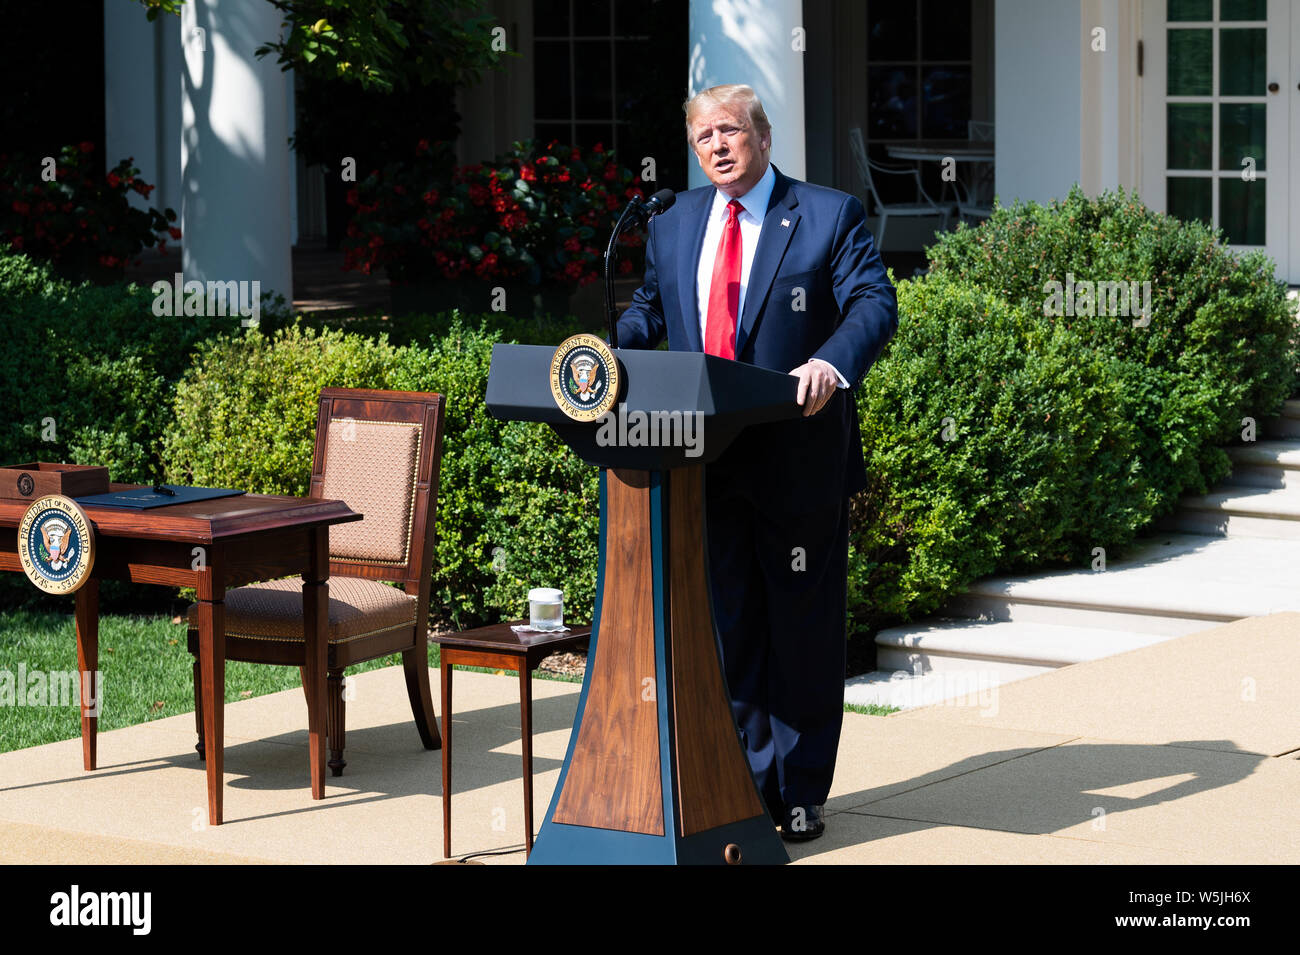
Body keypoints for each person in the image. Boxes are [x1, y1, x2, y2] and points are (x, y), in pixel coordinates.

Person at [616, 84, 898, 840]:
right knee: (728, 628)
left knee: (800, 631)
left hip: (797, 458)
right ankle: (741, 781)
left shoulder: (826, 214)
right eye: (704, 135)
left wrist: (831, 365)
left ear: (764, 138)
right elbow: (654, 303)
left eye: (730, 131)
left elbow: (874, 302)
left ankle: (800, 791)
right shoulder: (674, 222)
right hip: (704, 458)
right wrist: (624, 343)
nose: (717, 145)